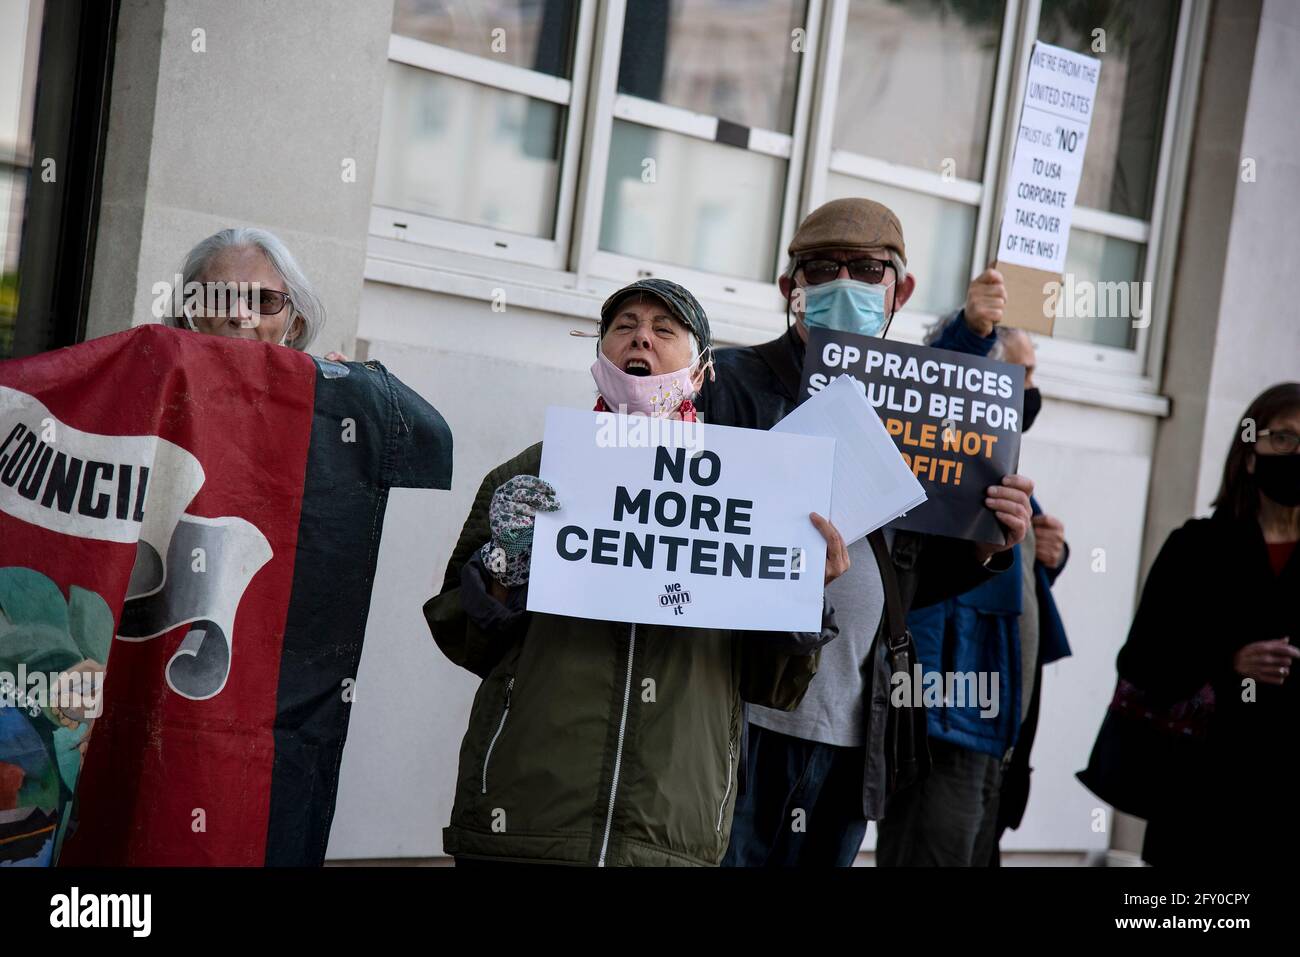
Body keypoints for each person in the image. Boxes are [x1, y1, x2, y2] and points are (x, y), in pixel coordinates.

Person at [423, 277, 850, 867]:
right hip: (526, 821)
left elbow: (771, 685)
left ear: (699, 371)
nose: (640, 339)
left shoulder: (754, 494)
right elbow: (464, 638)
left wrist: (800, 596)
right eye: (624, 327)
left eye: (664, 331)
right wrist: (504, 564)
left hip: (670, 832)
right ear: (601, 358)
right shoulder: (533, 476)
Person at [699, 199, 1036, 867]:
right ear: (789, 289)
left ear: (901, 289)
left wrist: (986, 548)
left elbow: (907, 581)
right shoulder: (731, 383)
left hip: (858, 727)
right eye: (820, 268)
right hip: (741, 713)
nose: (843, 282)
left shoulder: (920, 403)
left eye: (866, 268)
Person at [873, 268, 1072, 867]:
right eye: (1021, 374)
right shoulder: (939, 454)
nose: (1031, 390)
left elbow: (994, 579)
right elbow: (935, 387)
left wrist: (1043, 562)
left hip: (990, 725)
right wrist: (972, 326)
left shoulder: (996, 469)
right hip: (944, 714)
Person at [1111, 382, 1299, 866]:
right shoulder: (1196, 548)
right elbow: (1140, 660)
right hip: (1198, 795)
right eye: (1283, 438)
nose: (1296, 453)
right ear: (1250, 455)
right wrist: (1229, 660)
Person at [166, 226, 344, 358]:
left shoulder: (316, 399)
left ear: (293, 326)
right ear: (186, 317)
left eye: (264, 300)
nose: (240, 316)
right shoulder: (148, 387)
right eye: (219, 295)